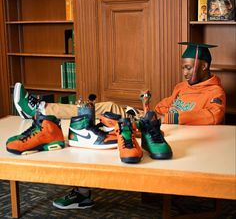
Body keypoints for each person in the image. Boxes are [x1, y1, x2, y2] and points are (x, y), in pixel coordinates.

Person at [12, 42, 226, 209]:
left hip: (166, 135)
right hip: (153, 126)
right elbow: (163, 106)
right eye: (184, 68)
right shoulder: (181, 87)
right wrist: (148, 111)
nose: (185, 73)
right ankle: (81, 191)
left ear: (204, 66)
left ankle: (40, 109)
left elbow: (212, 116)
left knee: (101, 115)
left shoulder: (214, 92)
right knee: (99, 121)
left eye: (188, 68)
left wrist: (168, 118)